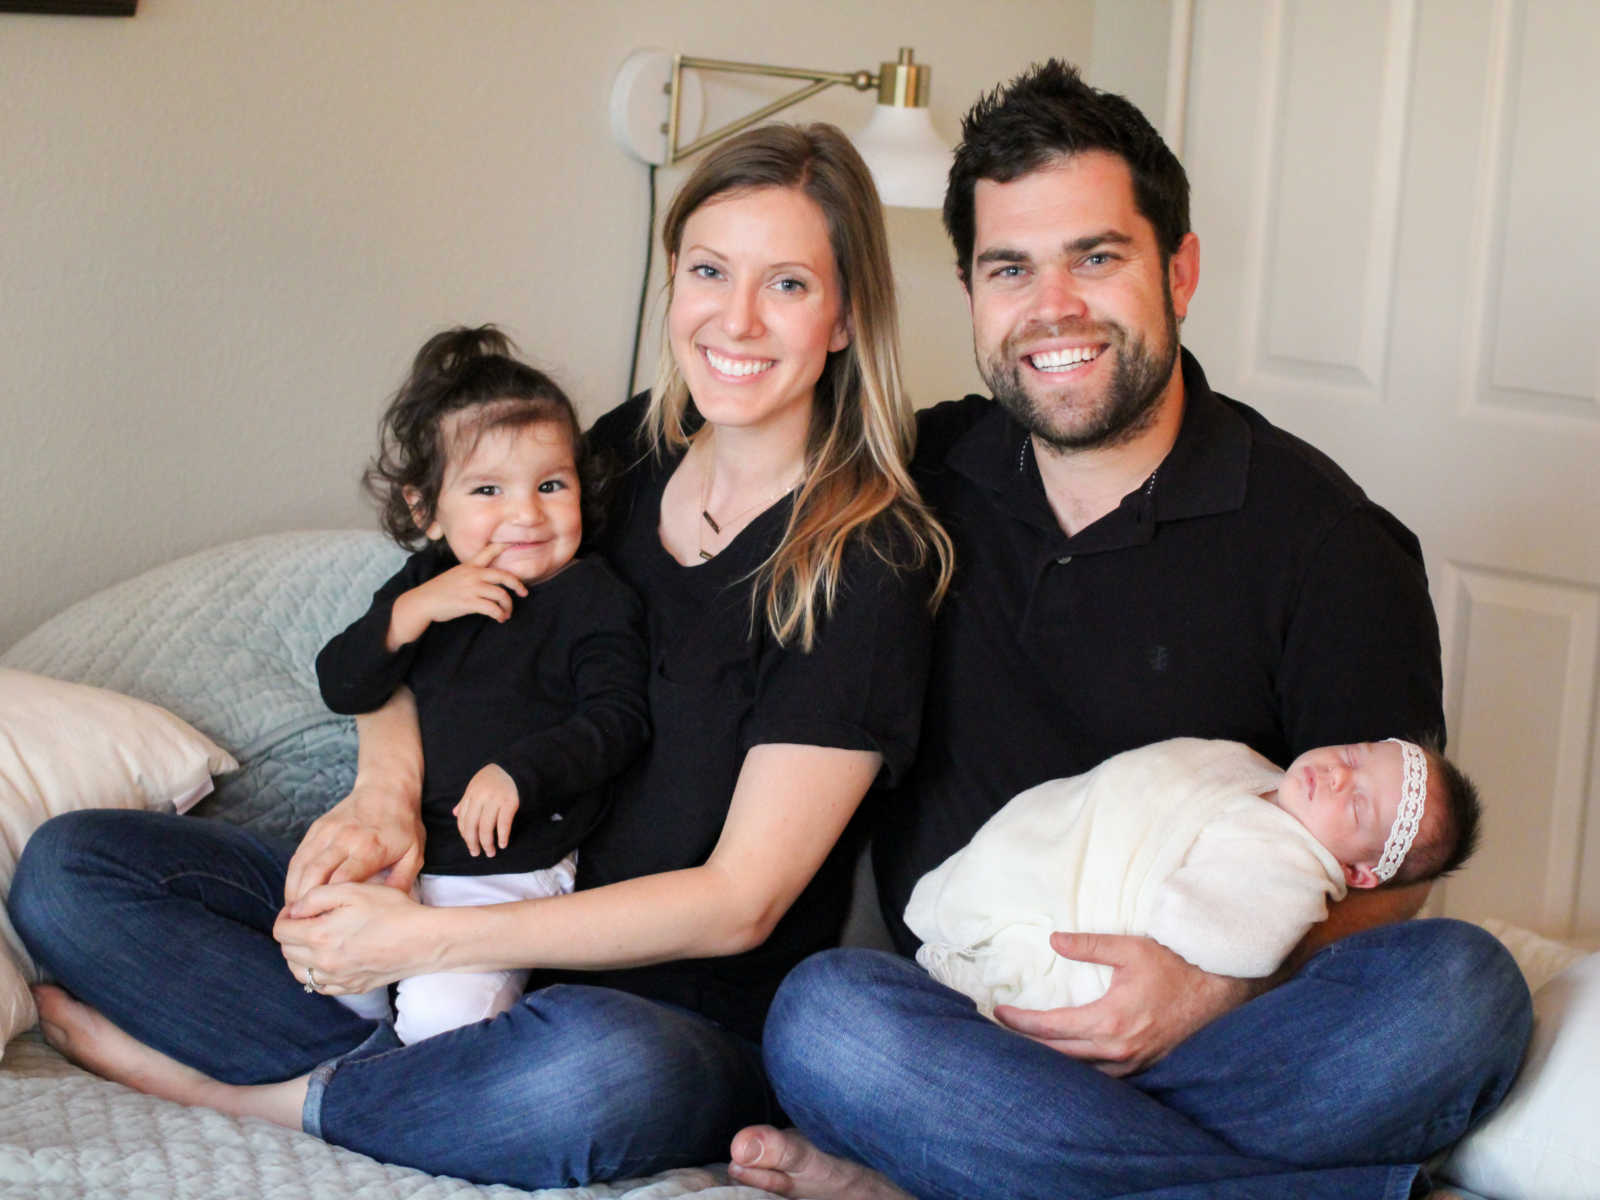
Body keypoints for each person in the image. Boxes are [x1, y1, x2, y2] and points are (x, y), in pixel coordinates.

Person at [11, 121, 951, 1190]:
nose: (734, 319)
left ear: (843, 318)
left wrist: (412, 950)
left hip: (655, 1009)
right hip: (457, 893)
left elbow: (741, 901)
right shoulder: (618, 460)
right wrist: (383, 796)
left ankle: (254, 1097)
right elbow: (423, 603)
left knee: (604, 1077)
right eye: (708, 271)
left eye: (786, 283)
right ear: (675, 283)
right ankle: (419, 1083)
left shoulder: (863, 566)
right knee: (72, 872)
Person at [728, 61, 1532, 1200]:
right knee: (825, 1021)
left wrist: (1212, 989)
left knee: (1461, 992)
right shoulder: (910, 480)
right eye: (1011, 269)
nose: (1051, 309)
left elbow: (1383, 871)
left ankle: (954, 1173)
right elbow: (662, 473)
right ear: (970, 291)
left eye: (1095, 258)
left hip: (1223, 1039)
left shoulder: (1328, 541)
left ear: (1180, 269)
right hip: (972, 1021)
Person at [313, 325, 650, 1044]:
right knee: (319, 952)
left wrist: (520, 772)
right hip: (404, 852)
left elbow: (618, 720)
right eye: (489, 489)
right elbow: (342, 684)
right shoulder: (426, 585)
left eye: (551, 485)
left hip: (507, 873)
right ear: (425, 509)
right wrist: (405, 617)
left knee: (443, 1024)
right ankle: (356, 1040)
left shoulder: (592, 596)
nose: (526, 514)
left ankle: (406, 1057)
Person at [907, 737, 1480, 1017]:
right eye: (1354, 758)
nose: (1335, 777)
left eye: (1357, 807)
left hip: (1085, 979)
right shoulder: (1248, 767)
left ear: (1358, 871)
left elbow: (1225, 941)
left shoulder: (1288, 874)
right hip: (1033, 854)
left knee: (1469, 983)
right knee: (832, 1000)